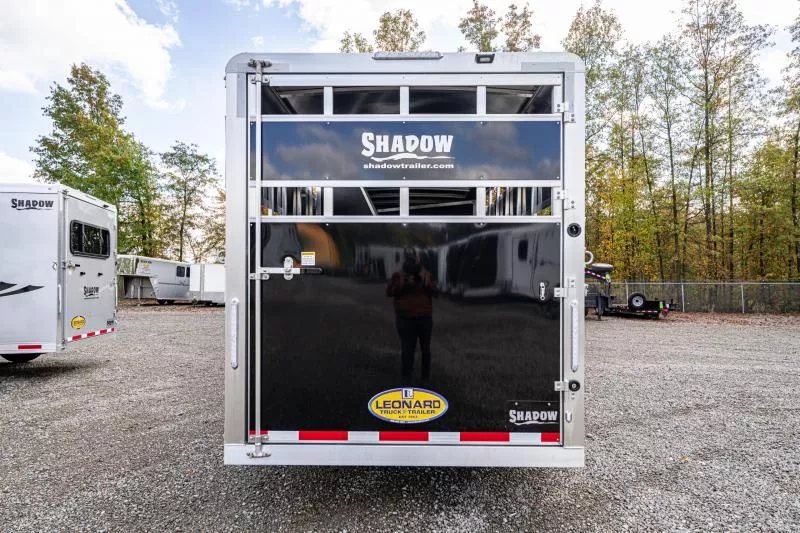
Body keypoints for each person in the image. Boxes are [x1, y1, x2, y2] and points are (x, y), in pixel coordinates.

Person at [386, 247, 437, 384]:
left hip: (424, 318)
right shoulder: (398, 275)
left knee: (425, 350)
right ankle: (406, 377)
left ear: (417, 258)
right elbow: (389, 292)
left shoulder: (426, 274)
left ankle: (425, 377)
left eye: (412, 258)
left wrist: (428, 285)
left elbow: (436, 292)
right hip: (405, 319)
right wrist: (402, 284)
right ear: (405, 258)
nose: (410, 261)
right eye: (408, 258)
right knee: (407, 350)